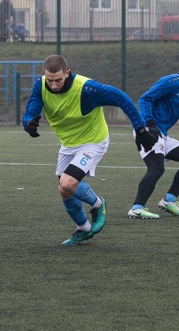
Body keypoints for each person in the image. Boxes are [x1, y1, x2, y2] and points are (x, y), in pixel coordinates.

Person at [22, 54, 157, 246]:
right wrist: (28, 123)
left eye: (58, 80)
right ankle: (83, 228)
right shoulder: (41, 84)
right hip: (68, 143)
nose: (53, 85)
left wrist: (140, 127)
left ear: (67, 73)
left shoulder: (87, 89)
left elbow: (121, 97)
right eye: (50, 80)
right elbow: (30, 109)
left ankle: (98, 204)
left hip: (93, 141)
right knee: (65, 190)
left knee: (68, 183)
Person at [128, 59, 179, 219]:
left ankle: (169, 200)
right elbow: (144, 99)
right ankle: (137, 207)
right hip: (147, 130)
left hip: (161, 133)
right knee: (157, 168)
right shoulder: (172, 82)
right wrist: (149, 123)